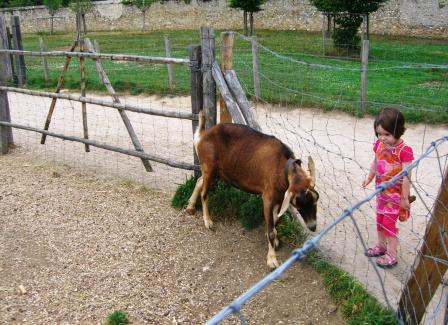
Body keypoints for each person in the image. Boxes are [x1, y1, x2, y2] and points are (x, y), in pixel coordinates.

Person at [362, 107, 414, 268]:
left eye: (387, 134)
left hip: (395, 196)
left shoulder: (404, 151)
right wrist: (369, 177)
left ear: (398, 131)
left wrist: (405, 198)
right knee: (379, 220)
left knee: (389, 224)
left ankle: (392, 254)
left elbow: (407, 177)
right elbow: (376, 161)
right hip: (381, 193)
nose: (382, 138)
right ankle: (381, 246)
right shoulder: (379, 144)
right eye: (379, 133)